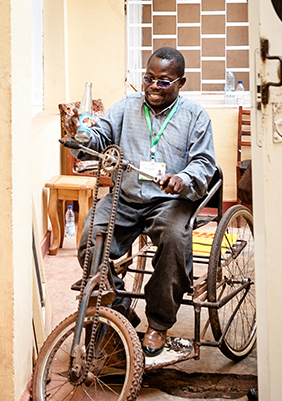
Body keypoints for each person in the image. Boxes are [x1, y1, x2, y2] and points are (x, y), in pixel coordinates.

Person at [70, 46, 217, 357]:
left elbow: (204, 162)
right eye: (149, 78)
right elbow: (100, 135)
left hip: (169, 201)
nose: (153, 86)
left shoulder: (195, 116)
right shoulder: (126, 106)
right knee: (89, 239)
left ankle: (158, 323)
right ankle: (121, 308)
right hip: (125, 197)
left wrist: (184, 178)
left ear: (181, 82)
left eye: (164, 81)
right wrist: (83, 138)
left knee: (175, 240)